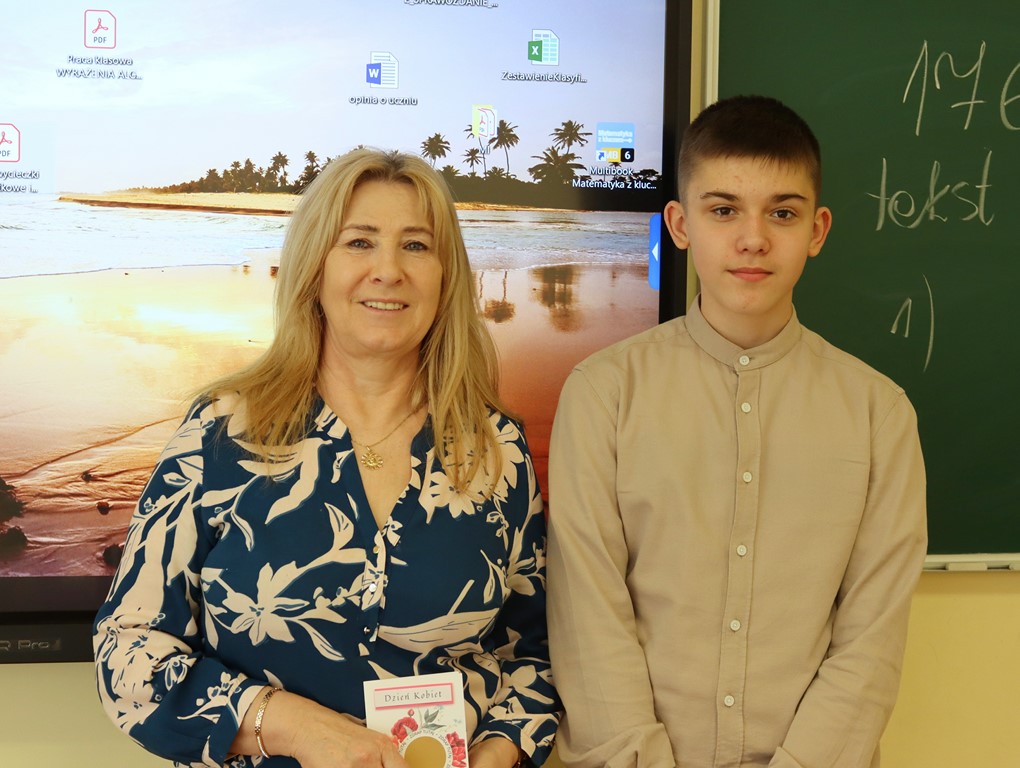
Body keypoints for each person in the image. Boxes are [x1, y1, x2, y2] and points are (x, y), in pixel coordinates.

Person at [94, 148, 560, 768]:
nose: (388, 270)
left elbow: (535, 654)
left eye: (416, 246)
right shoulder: (220, 433)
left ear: (446, 276)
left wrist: (499, 754)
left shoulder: (497, 449)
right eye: (359, 242)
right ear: (314, 267)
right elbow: (126, 652)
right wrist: (292, 727)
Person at [546, 95, 927, 768]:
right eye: (723, 210)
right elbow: (588, 615)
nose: (753, 238)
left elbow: (871, 639)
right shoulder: (604, 393)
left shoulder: (879, 414)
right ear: (680, 223)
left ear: (817, 229)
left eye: (782, 213)